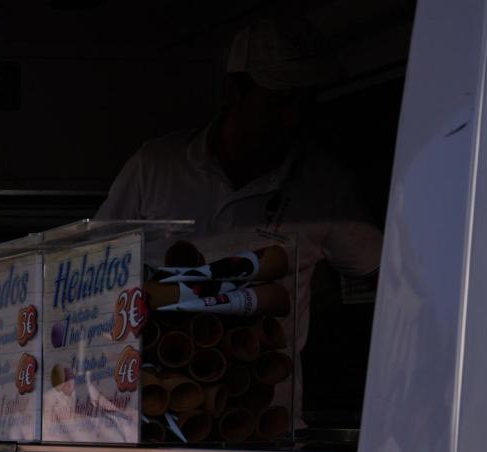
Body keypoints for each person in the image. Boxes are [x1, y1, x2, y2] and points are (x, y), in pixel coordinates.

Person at [96, 13, 382, 401]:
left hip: (264, 423)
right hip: (156, 416)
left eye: (304, 102)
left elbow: (383, 274)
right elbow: (95, 269)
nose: (293, 119)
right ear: (233, 93)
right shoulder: (156, 166)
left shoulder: (323, 185)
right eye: (279, 102)